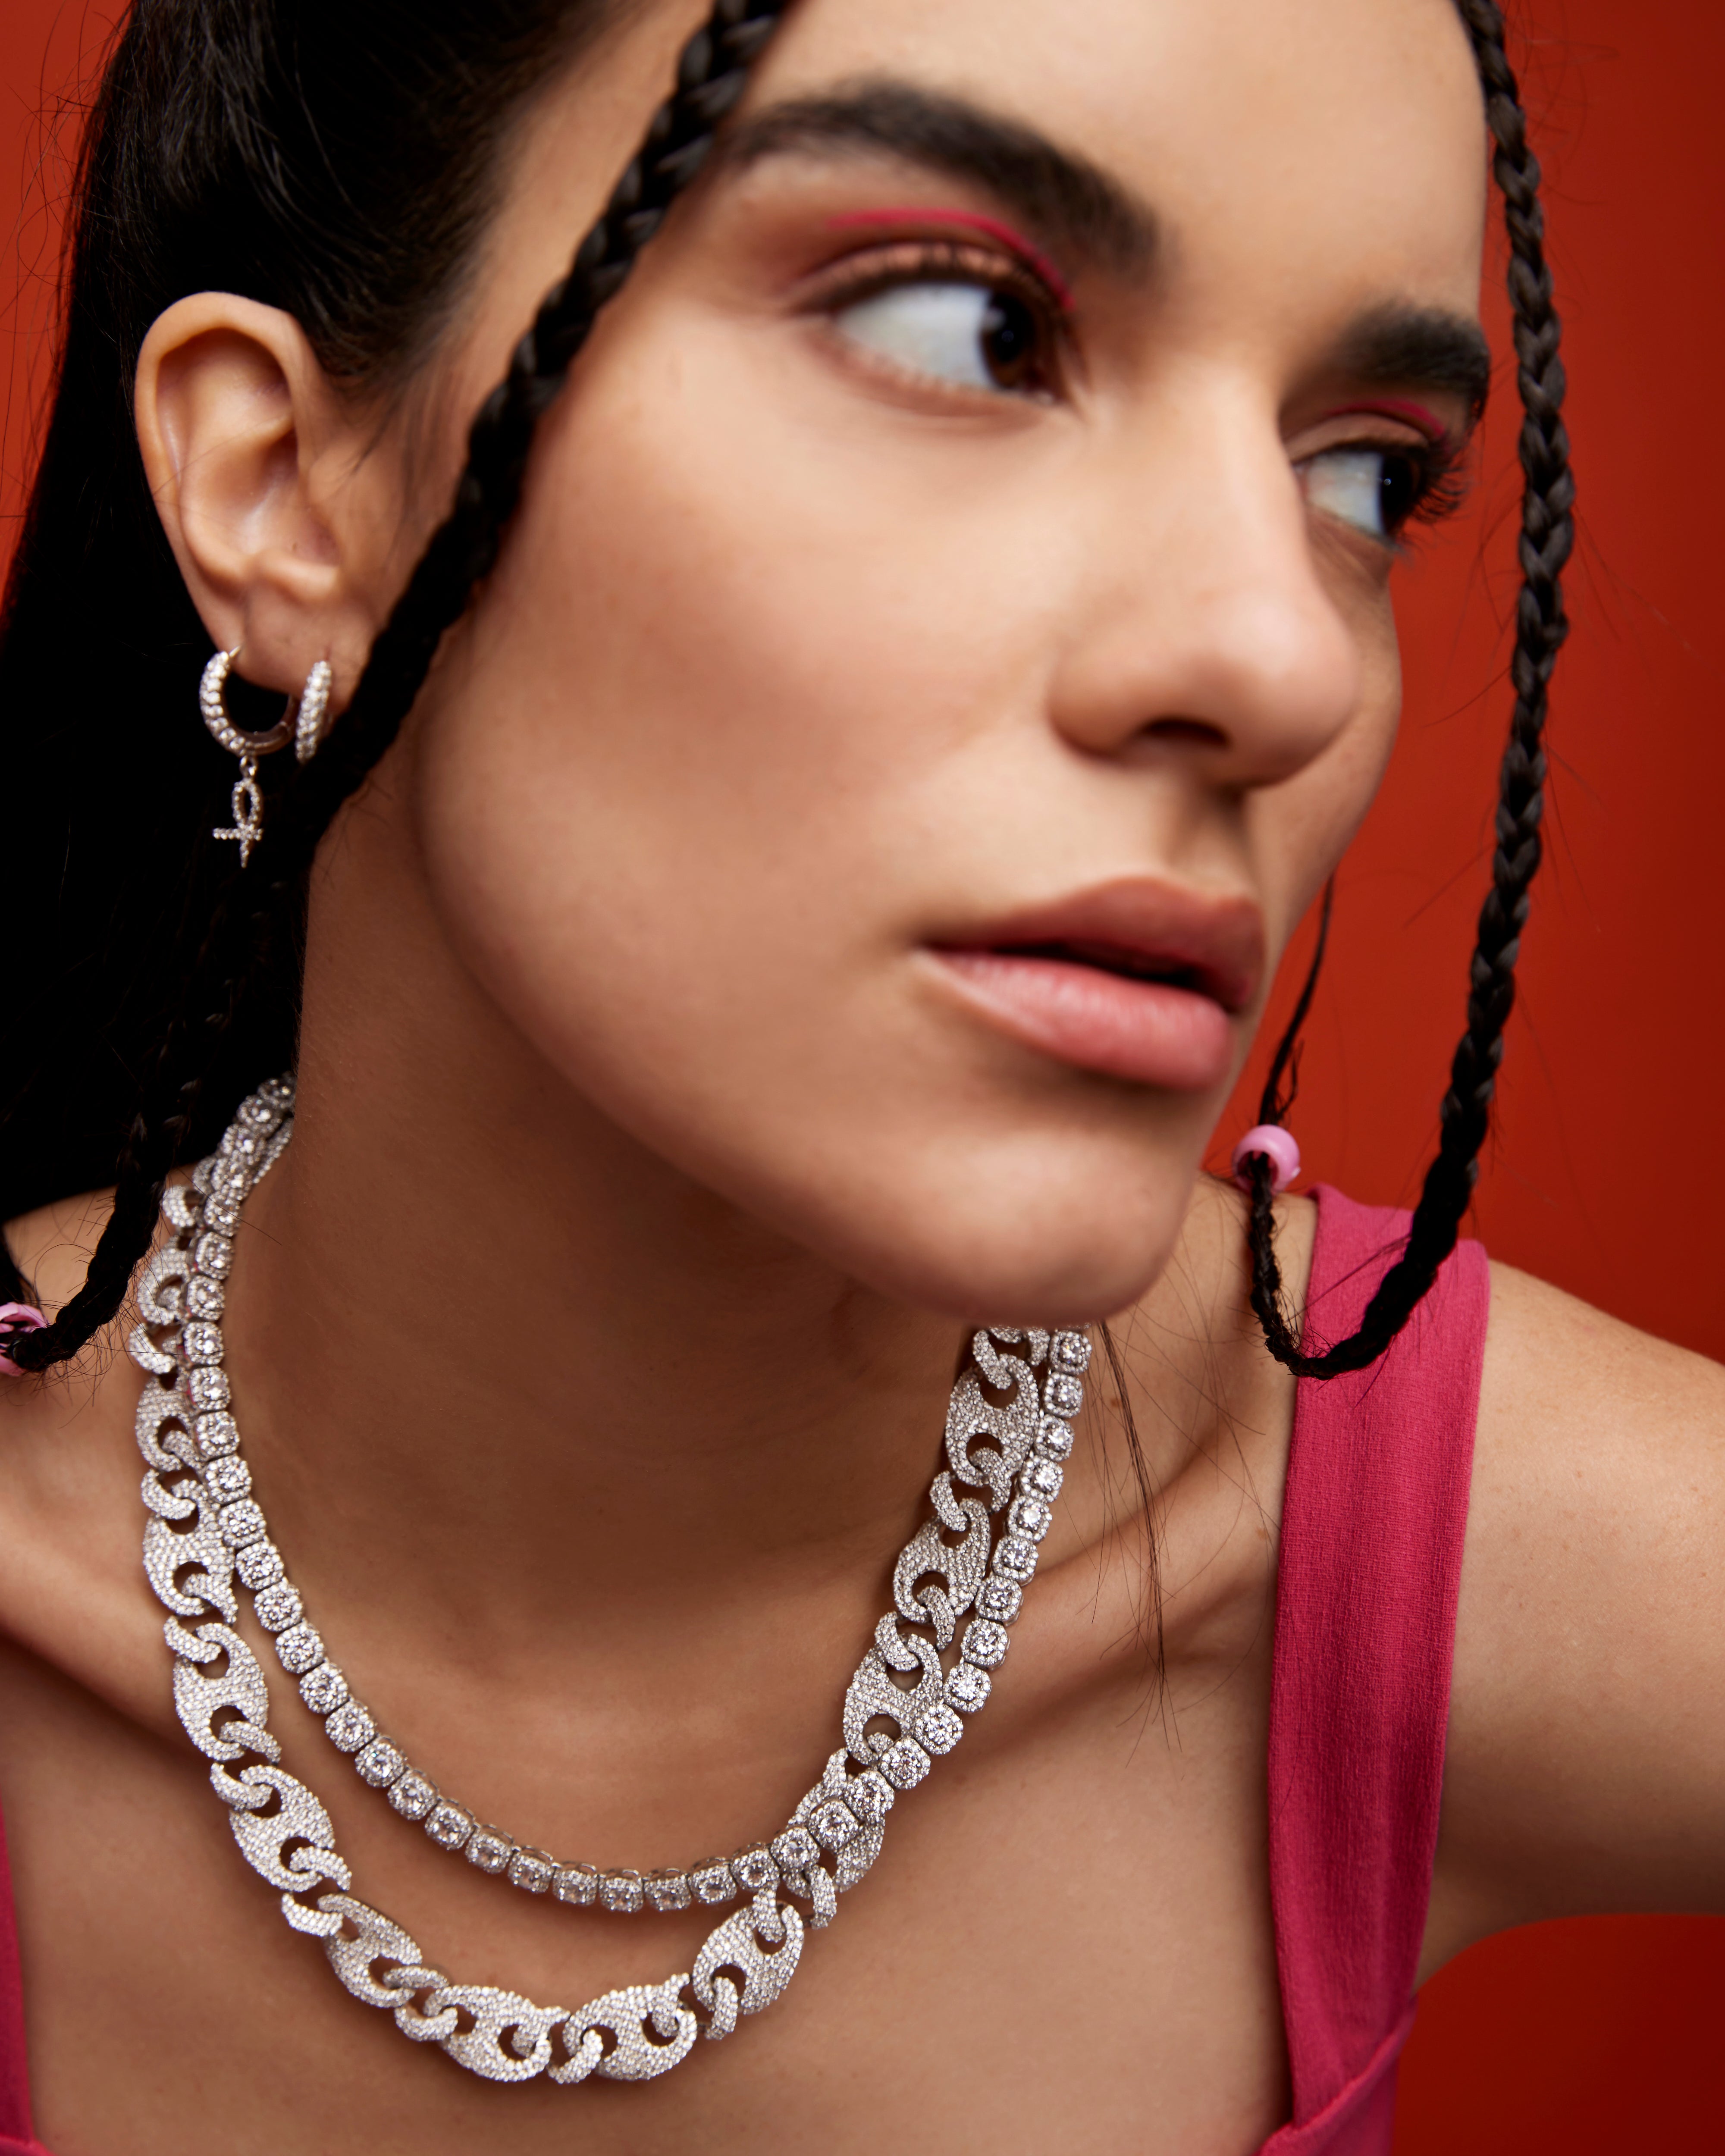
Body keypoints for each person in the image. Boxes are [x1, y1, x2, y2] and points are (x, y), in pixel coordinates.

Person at [0, 0, 1719, 2149]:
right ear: (279, 487)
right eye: (967, 332)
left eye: (1363, 471)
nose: (1278, 656)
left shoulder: (1456, 1570)